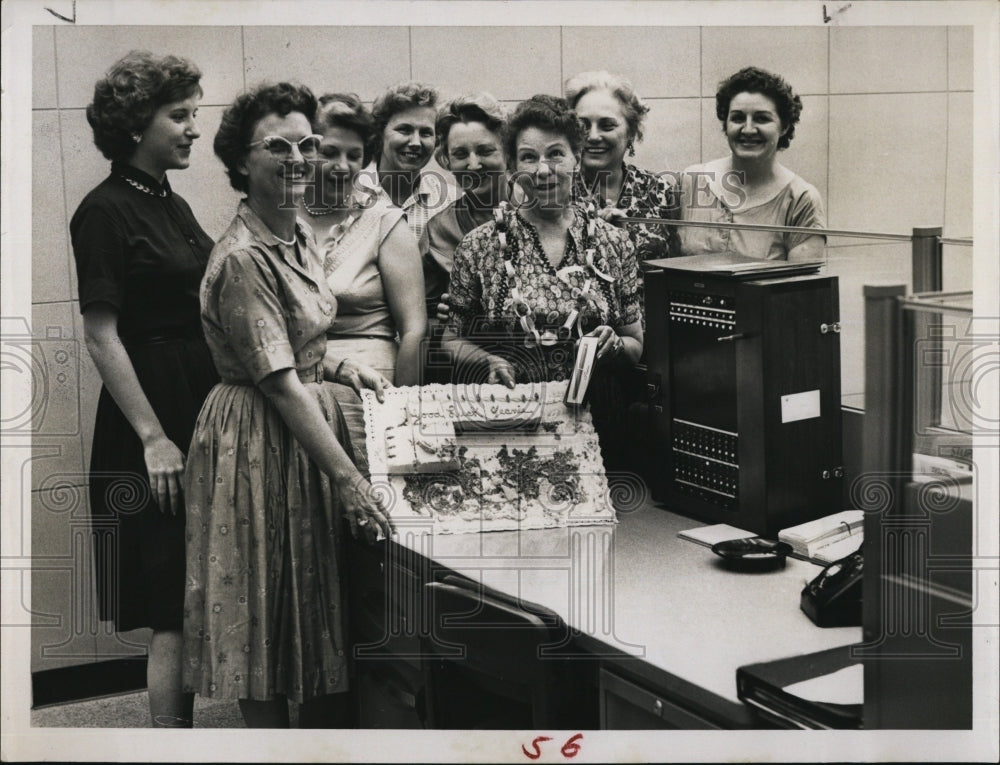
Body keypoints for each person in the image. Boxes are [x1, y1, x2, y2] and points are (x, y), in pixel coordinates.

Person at [182, 82, 393, 729]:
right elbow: (274, 380)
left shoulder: (295, 230)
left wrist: (338, 361)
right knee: (260, 606)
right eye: (280, 146)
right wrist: (351, 481)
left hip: (300, 426)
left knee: (307, 599)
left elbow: (298, 343)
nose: (299, 158)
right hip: (254, 435)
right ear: (242, 162)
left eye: (308, 144)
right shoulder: (245, 255)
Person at [70, 50, 217, 729]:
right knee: (171, 600)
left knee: (195, 590)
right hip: (153, 420)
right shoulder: (103, 211)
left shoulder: (171, 200)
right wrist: (153, 436)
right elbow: (102, 335)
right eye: (179, 114)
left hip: (198, 402)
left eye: (194, 112)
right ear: (135, 125)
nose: (194, 127)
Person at [442, 95, 642, 470]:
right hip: (511, 423)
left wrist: (615, 344)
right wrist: (487, 359)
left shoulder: (614, 242)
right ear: (513, 165)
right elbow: (451, 339)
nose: (543, 169)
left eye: (556, 154)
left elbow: (635, 344)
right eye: (529, 158)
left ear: (577, 158)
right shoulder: (481, 244)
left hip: (598, 428)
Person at [299, 93, 426, 472]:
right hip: (295, 383)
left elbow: (414, 329)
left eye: (354, 156)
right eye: (330, 152)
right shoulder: (280, 219)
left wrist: (403, 414)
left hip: (371, 391)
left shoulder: (384, 221)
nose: (342, 166)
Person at [678, 66, 826, 260]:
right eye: (738, 118)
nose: (748, 129)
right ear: (725, 123)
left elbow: (803, 288)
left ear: (784, 127)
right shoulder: (692, 180)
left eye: (762, 119)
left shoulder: (800, 199)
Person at [565, 70, 680, 262]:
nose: (593, 136)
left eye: (607, 125)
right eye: (583, 125)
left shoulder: (659, 189)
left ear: (631, 132)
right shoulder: (557, 189)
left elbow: (676, 263)